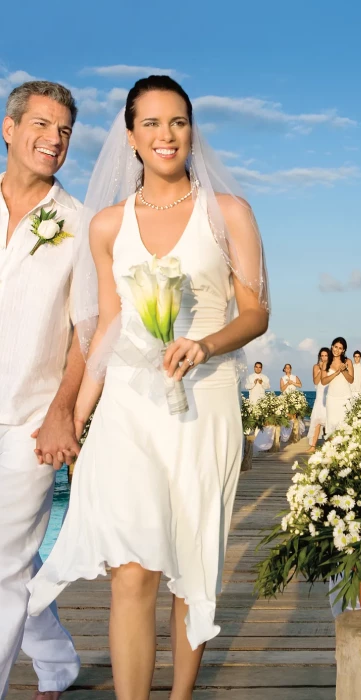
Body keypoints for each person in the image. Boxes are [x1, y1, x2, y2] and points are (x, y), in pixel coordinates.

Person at [26, 76, 269, 700]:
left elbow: (256, 313)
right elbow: (107, 328)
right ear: (131, 136)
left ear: (192, 131)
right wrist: (75, 420)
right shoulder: (107, 226)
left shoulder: (230, 214)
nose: (167, 136)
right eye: (153, 124)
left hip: (205, 403)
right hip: (129, 408)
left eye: (179, 123)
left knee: (191, 571)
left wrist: (207, 344)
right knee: (131, 573)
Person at [0, 81, 81, 700]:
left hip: (26, 420)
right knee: (16, 569)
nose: (53, 139)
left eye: (64, 131)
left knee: (3, 570)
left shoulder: (77, 225)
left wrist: (62, 414)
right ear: (9, 128)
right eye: (42, 125)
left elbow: (91, 331)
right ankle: (56, 659)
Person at [321, 337, 354, 434]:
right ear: (332, 347)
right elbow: (323, 381)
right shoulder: (326, 363)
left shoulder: (347, 362)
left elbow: (351, 380)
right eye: (336, 347)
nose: (337, 350)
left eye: (340, 348)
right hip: (332, 398)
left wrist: (343, 370)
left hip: (345, 397)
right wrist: (336, 373)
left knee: (346, 425)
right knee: (332, 425)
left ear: (343, 350)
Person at [307, 347, 330, 453]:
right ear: (320, 356)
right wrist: (321, 370)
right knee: (317, 421)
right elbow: (316, 382)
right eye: (322, 355)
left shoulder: (331, 367)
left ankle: (329, 444)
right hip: (320, 395)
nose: (324, 357)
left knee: (328, 420)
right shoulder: (316, 367)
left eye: (326, 355)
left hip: (329, 395)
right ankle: (313, 446)